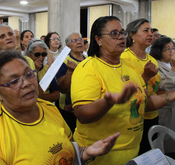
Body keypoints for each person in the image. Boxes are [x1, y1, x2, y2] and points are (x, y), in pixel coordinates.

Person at [0, 50, 121, 164]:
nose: (27, 83)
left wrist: (86, 153)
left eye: (29, 74)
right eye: (14, 81)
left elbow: (67, 150)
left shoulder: (48, 108)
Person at [71, 16, 175, 165]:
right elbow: (82, 114)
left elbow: (143, 102)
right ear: (98, 39)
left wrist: (171, 96)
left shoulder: (128, 66)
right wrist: (108, 102)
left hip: (132, 152)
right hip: (101, 154)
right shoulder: (88, 68)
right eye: (114, 33)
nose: (121, 37)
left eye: (122, 33)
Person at [121, 18, 161, 155]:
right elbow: (126, 91)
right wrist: (146, 76)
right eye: (145, 31)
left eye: (151, 31)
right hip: (135, 119)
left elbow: (156, 89)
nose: (151, 34)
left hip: (153, 115)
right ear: (132, 35)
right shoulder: (125, 58)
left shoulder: (152, 60)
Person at [56, 32, 86, 133]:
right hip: (68, 109)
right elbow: (62, 89)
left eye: (80, 39)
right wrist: (69, 72)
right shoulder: (64, 61)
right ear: (68, 46)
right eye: (74, 41)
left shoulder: (88, 60)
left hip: (85, 106)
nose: (79, 42)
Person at [150, 37, 175, 154]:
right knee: (167, 143)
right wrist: (174, 68)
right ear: (158, 51)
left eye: (173, 48)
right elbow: (165, 86)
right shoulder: (156, 65)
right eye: (167, 49)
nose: (172, 52)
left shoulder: (170, 64)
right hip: (166, 110)